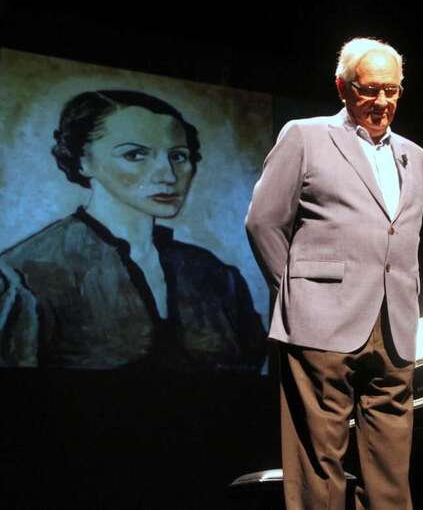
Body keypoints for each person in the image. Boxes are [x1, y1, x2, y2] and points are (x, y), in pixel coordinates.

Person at [246, 37, 423, 509]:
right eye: (369, 89)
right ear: (342, 87)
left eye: (392, 90)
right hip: (319, 322)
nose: (382, 101)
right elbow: (264, 221)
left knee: (390, 472)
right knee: (318, 468)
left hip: (393, 325)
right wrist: (293, 293)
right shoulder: (305, 135)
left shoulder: (416, 155)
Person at [0, 90, 265, 370]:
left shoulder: (215, 275)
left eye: (178, 156)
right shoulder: (25, 275)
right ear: (83, 160)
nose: (168, 175)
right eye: (135, 154)